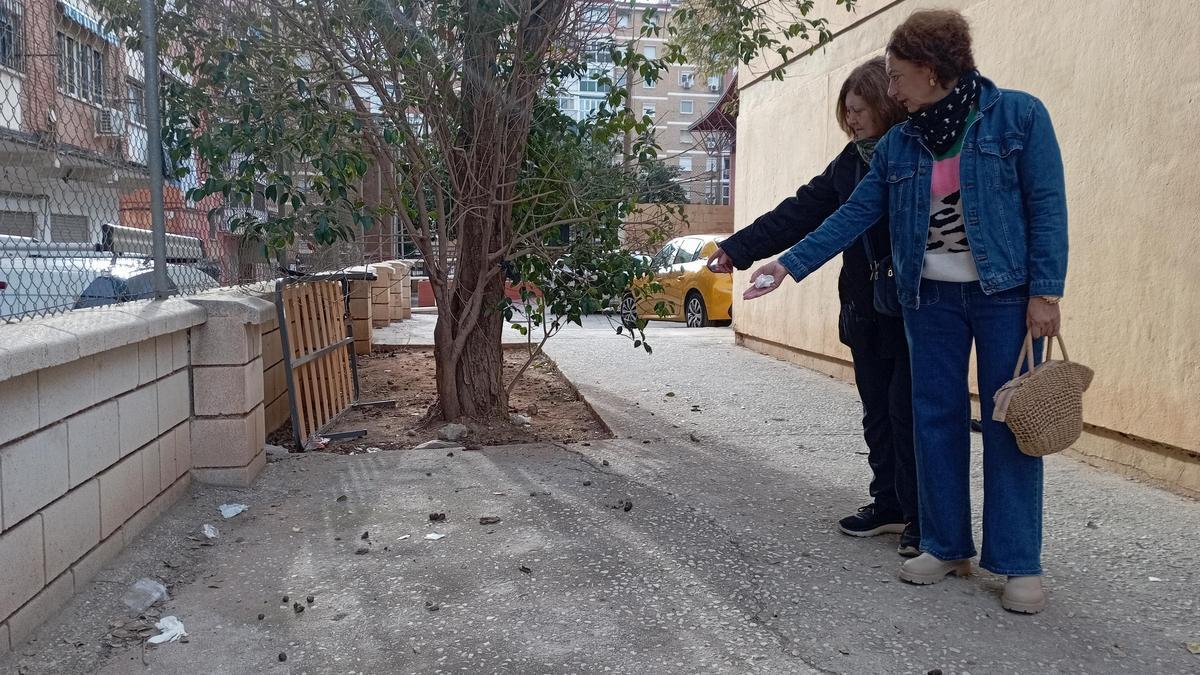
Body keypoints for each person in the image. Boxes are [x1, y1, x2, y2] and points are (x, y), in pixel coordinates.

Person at [743, 9, 1067, 614]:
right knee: (933, 420)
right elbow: (854, 213)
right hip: (930, 300)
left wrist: (1046, 293)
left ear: (930, 69)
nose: (889, 91)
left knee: (1012, 426)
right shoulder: (902, 142)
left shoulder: (1019, 115)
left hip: (1007, 298)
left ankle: (1019, 562)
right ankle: (945, 544)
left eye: (896, 77)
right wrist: (788, 264)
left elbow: (1046, 203)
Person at [707, 57, 920, 557]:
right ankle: (887, 503)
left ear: (887, 105)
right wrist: (738, 248)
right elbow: (800, 211)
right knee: (876, 411)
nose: (853, 121)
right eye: (847, 112)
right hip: (864, 307)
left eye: (861, 110)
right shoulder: (850, 164)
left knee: (907, 410)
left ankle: (921, 516)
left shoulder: (916, 153)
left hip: (914, 309)